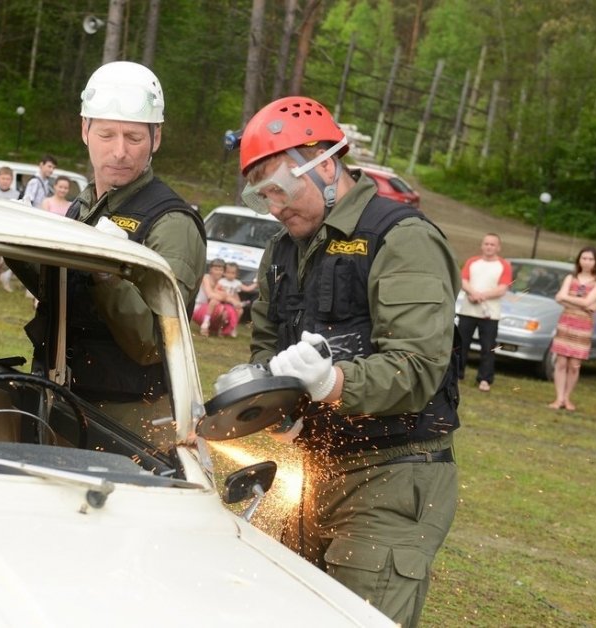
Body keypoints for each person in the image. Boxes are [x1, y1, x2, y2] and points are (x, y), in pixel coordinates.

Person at [237, 96, 461, 627]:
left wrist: (333, 381)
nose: (273, 206)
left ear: (326, 165)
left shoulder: (403, 239)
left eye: (281, 190)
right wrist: (276, 404)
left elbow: (420, 367)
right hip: (310, 470)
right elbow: (266, 345)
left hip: (393, 472)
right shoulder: (282, 250)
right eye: (261, 194)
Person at [19, 60, 206, 414]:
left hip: (127, 417)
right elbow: (61, 293)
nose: (119, 151)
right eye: (106, 135)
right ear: (85, 130)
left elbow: (156, 342)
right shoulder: (85, 205)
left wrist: (109, 272)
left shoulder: (172, 222)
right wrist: (17, 244)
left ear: (156, 138)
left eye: (134, 137)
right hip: (62, 394)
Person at [548, 247, 596, 411]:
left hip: (583, 326)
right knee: (561, 361)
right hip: (566, 322)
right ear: (579, 260)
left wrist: (568, 298)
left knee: (574, 364)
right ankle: (558, 398)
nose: (587, 262)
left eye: (590, 259)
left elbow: (587, 302)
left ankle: (567, 398)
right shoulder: (570, 277)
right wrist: (584, 304)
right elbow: (560, 298)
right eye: (584, 258)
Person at [456, 233, 512, 392]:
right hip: (468, 311)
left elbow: (502, 288)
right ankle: (457, 374)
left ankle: (485, 379)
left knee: (488, 347)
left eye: (492, 244)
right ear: (482, 245)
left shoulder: (503, 265)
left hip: (490, 314)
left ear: (498, 247)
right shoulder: (472, 262)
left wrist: (482, 296)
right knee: (462, 345)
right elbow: (463, 280)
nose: (489, 247)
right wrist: (472, 292)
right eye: (486, 244)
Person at [192, 258, 237, 338]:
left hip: (214, 307)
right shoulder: (206, 278)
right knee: (217, 303)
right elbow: (210, 295)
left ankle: (220, 330)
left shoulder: (223, 282)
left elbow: (228, 295)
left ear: (223, 272)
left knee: (228, 310)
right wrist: (226, 298)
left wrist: (228, 298)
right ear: (210, 270)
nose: (218, 272)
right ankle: (205, 325)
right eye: (215, 269)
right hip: (199, 308)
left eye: (221, 270)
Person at [216, 262, 257, 337]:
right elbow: (217, 291)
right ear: (224, 273)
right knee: (225, 314)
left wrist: (256, 284)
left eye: (233, 273)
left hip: (233, 304)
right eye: (228, 272)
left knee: (240, 311)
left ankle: (233, 327)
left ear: (236, 274)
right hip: (223, 302)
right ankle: (220, 329)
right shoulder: (221, 282)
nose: (230, 275)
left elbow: (247, 289)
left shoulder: (237, 283)